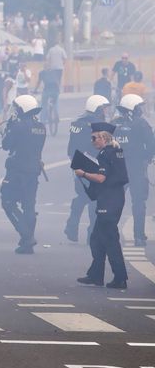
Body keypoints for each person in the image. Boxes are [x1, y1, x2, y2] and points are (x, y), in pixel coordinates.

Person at [75, 122, 129, 289]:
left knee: (109, 239)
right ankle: (96, 275)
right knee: (97, 238)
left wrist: (83, 173)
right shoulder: (116, 151)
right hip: (114, 199)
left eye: (94, 138)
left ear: (104, 137)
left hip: (109, 201)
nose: (92, 141)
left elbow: (101, 178)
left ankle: (120, 278)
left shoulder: (106, 154)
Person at [0, 94, 46, 254]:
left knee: (7, 202)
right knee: (29, 205)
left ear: (22, 109)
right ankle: (27, 244)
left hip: (17, 170)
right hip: (33, 170)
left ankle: (26, 235)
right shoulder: (41, 127)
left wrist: (9, 128)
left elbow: (6, 144)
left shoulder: (18, 126)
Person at [65, 95, 111, 242]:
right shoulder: (99, 126)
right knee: (94, 200)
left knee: (82, 197)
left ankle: (71, 227)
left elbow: (71, 148)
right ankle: (92, 233)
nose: (105, 111)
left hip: (77, 165)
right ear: (97, 108)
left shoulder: (77, 122)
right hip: (93, 166)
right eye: (103, 108)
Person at [113, 94, 153, 246]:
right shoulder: (141, 124)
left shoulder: (113, 124)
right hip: (136, 169)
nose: (141, 110)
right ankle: (139, 236)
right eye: (139, 107)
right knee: (138, 203)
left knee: (114, 203)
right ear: (132, 109)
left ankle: (109, 235)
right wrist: (147, 158)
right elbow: (151, 144)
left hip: (117, 170)